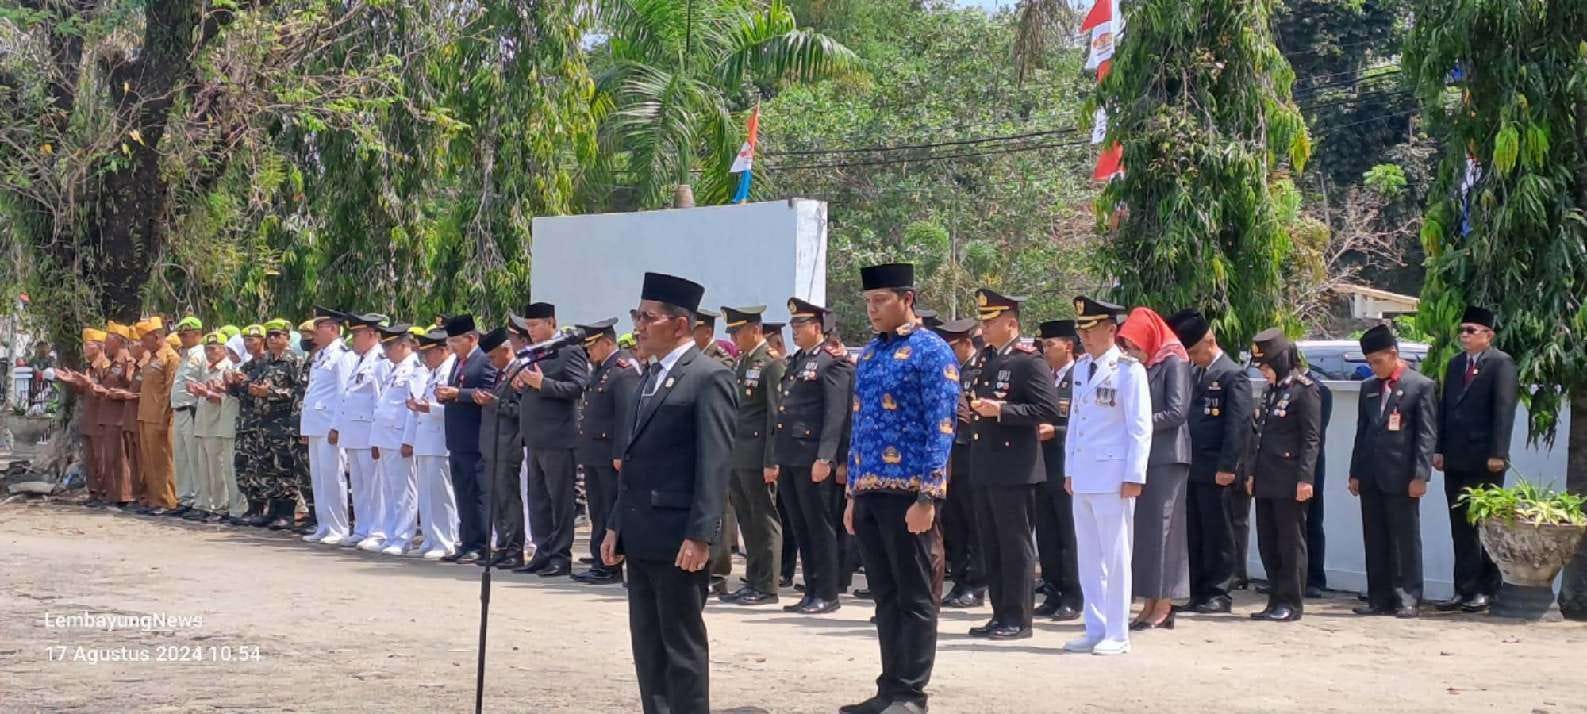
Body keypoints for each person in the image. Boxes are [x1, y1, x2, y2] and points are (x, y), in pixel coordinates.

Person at [600, 272, 735, 714]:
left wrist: (702, 535)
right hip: (641, 534)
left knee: (681, 647)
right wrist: (615, 525)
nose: (638, 325)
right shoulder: (647, 377)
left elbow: (714, 465)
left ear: (679, 325)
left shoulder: (708, 376)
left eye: (647, 317)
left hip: (679, 537)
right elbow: (635, 461)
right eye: (637, 316)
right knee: (648, 648)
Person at [838, 262, 958, 714]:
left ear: (907, 299)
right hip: (870, 492)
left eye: (880, 301)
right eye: (868, 302)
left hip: (910, 494)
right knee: (885, 597)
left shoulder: (932, 351)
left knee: (914, 596)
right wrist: (852, 494)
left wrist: (929, 495)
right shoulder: (869, 354)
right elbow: (860, 426)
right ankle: (888, 688)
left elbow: (941, 427)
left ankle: (911, 693)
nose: (872, 310)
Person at [965, 288, 1060, 640]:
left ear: (1011, 323)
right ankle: (999, 612)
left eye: (990, 321)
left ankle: (1018, 618)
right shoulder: (987, 359)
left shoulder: (1028, 360)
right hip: (986, 463)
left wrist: (1002, 410)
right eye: (983, 321)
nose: (984, 327)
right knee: (992, 543)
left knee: (1014, 544)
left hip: (1015, 467)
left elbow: (1046, 409)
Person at [1064, 296, 1150, 656]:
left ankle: (1118, 632)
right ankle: (1095, 627)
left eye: (1091, 329)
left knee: (1115, 557)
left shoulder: (1129, 370)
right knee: (1088, 556)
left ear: (1111, 330)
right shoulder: (1081, 368)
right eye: (1081, 329)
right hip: (1084, 474)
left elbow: (1139, 427)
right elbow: (1075, 423)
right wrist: (1069, 469)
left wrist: (1135, 474)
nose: (1084, 336)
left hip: (1113, 475)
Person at [1165, 309, 1251, 615]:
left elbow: (1237, 426)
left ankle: (1219, 591)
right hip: (1192, 465)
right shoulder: (1193, 373)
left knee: (1220, 531)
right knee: (1196, 530)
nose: (1192, 358)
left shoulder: (1232, 374)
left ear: (1209, 341)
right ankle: (1198, 588)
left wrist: (1228, 467)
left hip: (1218, 468)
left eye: (1195, 352)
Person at [774, 297, 855, 615]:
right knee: (800, 525)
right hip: (792, 455)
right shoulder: (797, 360)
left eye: (800, 324)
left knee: (819, 526)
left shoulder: (831, 361)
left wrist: (826, 458)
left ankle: (827, 592)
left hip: (813, 458)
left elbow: (836, 415)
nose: (794, 330)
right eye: (792, 324)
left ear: (818, 328)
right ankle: (811, 588)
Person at [1434, 305, 1518, 613]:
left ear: (1488, 335)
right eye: (1463, 330)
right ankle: (1463, 588)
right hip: (1455, 456)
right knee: (1460, 526)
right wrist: (1439, 448)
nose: (1464, 336)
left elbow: (1503, 411)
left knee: (1484, 524)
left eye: (1471, 331)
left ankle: (1486, 589)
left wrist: (1499, 452)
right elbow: (1444, 408)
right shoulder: (1456, 365)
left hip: (1485, 459)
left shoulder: (1501, 364)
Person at [1349, 324, 1437, 619]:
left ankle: (1408, 597)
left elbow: (1426, 435)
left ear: (1393, 354)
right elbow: (1362, 432)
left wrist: (1420, 475)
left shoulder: (1419, 385)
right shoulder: (1369, 388)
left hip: (1402, 475)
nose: (1373, 368)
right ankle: (1379, 597)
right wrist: (1355, 472)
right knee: (1374, 537)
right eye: (1369, 362)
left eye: (1377, 361)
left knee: (1404, 539)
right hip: (1372, 474)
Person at [1115, 307, 1191, 631]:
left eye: (1134, 344)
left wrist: (1137, 424)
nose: (1132, 351)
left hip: (1168, 456)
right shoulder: (1145, 366)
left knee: (1165, 532)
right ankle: (1148, 601)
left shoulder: (1174, 361)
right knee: (1146, 533)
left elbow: (1177, 411)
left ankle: (1165, 604)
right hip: (1146, 457)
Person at [1245, 329, 1321, 622]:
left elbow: (1311, 439)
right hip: (1265, 477)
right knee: (1268, 542)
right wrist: (1251, 472)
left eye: (1265, 366)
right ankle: (1275, 597)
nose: (1263, 372)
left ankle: (1290, 602)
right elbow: (1259, 436)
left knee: (1290, 544)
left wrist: (1306, 479)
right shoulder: (1271, 391)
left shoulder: (1305, 390)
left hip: (1290, 479)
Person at [511, 302, 590, 577]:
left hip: (558, 437)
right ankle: (542, 553)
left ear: (551, 323)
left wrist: (542, 384)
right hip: (534, 438)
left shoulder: (568, 351)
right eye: (528, 326)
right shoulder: (533, 353)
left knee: (560, 501)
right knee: (538, 501)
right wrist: (522, 385)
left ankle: (560, 556)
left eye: (534, 326)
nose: (530, 331)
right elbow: (531, 385)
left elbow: (579, 387)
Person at [718, 305, 787, 604]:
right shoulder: (743, 361)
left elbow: (775, 416)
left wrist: (772, 460)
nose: (734, 337)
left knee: (763, 520)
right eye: (731, 332)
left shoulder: (771, 363)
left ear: (755, 330)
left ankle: (767, 585)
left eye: (737, 331)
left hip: (758, 455)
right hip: (738, 452)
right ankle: (754, 579)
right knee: (747, 521)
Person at [571, 318, 640, 584]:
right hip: (593, 452)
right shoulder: (601, 369)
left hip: (610, 453)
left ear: (607, 342)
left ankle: (612, 565)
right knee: (597, 510)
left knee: (611, 509)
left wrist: (621, 452)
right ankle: (600, 560)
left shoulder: (623, 370)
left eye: (592, 346)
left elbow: (626, 415)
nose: (589, 352)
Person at [437, 314, 498, 564]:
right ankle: (466, 541)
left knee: (478, 493)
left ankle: (481, 544)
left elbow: (490, 392)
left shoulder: (484, 361)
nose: (451, 348)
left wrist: (458, 394)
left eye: (455, 342)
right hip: (457, 439)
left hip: (475, 439)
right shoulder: (458, 362)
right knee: (463, 493)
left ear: (471, 339)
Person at [934, 318, 986, 609]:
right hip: (952, 454)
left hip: (973, 453)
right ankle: (961, 581)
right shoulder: (951, 372)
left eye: (953, 347)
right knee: (954, 522)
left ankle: (976, 584)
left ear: (966, 344)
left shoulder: (980, 369)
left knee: (972, 522)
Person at [1034, 319, 1083, 621]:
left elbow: (1087, 424)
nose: (1045, 350)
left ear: (1068, 345)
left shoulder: (1080, 376)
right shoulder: (1044, 377)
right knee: (1048, 536)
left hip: (1068, 466)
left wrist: (1057, 432)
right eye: (1042, 344)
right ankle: (1052, 591)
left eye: (1050, 344)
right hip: (1041, 466)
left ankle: (1073, 595)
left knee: (1069, 535)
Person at [334, 314, 391, 550]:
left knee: (374, 485)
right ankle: (362, 527)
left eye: (357, 335)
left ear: (371, 334)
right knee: (358, 483)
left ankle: (378, 530)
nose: (353, 340)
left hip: (369, 433)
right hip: (355, 433)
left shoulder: (381, 360)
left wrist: (378, 437)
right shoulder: (360, 360)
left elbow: (381, 401)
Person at [404, 328, 460, 560]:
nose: (425, 358)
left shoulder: (449, 371)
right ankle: (430, 538)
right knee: (427, 494)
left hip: (440, 439)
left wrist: (429, 408)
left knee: (441, 494)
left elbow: (452, 408)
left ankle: (446, 540)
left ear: (443, 350)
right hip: (425, 439)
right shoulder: (434, 371)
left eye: (429, 353)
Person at [301, 308, 356, 544]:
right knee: (319, 478)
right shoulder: (321, 355)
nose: (315, 333)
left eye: (319, 328)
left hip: (329, 426)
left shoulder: (343, 355)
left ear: (333, 329)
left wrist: (337, 426)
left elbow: (344, 393)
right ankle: (324, 525)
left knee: (334, 478)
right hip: (315, 425)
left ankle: (338, 527)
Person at [368, 324, 424, 554]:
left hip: (400, 437)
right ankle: (392, 534)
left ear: (403, 345)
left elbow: (414, 406)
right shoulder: (395, 368)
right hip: (386, 437)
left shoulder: (414, 368)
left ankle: (403, 537)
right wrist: (375, 439)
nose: (386, 351)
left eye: (389, 346)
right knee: (389, 491)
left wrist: (409, 440)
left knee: (403, 492)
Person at [247, 319, 306, 530]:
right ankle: (271, 510)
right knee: (266, 468)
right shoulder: (265, 361)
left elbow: (298, 392)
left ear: (287, 338)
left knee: (284, 469)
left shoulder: (293, 361)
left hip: (281, 423)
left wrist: (270, 393)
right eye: (269, 335)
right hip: (262, 422)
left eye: (277, 335)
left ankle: (286, 513)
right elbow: (251, 381)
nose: (272, 339)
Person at [473, 326, 522, 566]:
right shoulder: (500, 373)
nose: (492, 362)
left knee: (508, 500)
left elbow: (522, 411)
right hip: (491, 445)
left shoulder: (518, 372)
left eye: (493, 357)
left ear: (506, 350)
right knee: (495, 500)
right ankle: (502, 546)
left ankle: (514, 549)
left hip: (507, 445)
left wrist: (495, 403)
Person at [189, 331, 239, 523]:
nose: (209, 353)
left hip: (217, 425)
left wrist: (207, 393)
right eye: (207, 349)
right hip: (203, 424)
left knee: (218, 470)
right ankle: (207, 504)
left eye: (213, 349)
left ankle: (221, 507)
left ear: (224, 350)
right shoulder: (208, 369)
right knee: (205, 469)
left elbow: (224, 399)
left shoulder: (227, 368)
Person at [227, 324, 272, 524]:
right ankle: (252, 507)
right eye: (245, 339)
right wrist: (231, 384)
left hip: (262, 423)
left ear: (262, 340)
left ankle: (265, 509)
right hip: (245, 422)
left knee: (262, 466)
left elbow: (262, 390)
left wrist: (244, 382)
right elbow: (239, 394)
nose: (248, 343)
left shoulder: (268, 364)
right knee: (244, 466)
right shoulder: (246, 366)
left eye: (252, 339)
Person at [135, 317, 180, 514]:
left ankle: (167, 500)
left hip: (160, 417)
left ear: (156, 336)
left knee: (163, 461)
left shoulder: (170, 358)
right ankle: (154, 499)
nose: (142, 344)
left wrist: (165, 417)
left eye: (144, 339)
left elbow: (169, 391)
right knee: (150, 461)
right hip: (145, 415)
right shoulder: (150, 358)